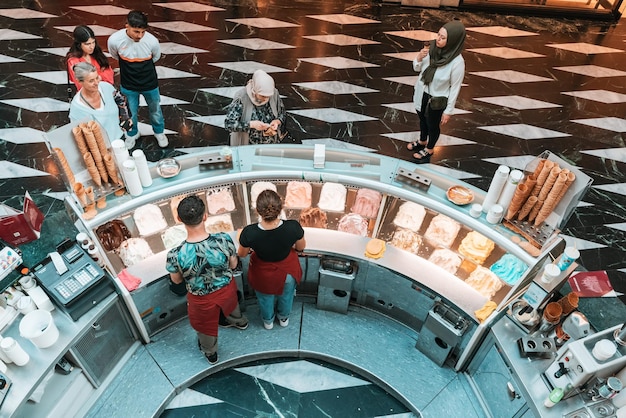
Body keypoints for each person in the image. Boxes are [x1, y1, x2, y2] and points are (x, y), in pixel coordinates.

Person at [166, 195, 248, 365]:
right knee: (233, 307)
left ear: (179, 219)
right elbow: (233, 265)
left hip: (200, 299)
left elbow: (176, 281)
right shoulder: (224, 239)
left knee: (205, 327)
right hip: (226, 288)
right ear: (205, 216)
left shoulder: (175, 255)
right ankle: (239, 322)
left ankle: (211, 353)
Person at [238, 190, 305, 330]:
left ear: (257, 211)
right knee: (286, 296)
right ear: (281, 208)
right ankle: (283, 318)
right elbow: (300, 247)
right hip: (288, 271)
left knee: (265, 298)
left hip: (262, 274)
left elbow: (242, 254)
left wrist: (243, 239)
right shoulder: (293, 227)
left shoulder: (249, 232)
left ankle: (268, 321)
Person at [407, 20, 466, 164]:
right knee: (422, 119)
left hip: (437, 99)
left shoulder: (457, 62)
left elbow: (455, 87)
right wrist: (419, 58)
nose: (438, 39)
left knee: (432, 125)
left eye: (443, 37)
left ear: (453, 40)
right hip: (422, 92)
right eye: (438, 35)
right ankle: (422, 140)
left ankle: (430, 148)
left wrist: (448, 111)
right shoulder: (431, 48)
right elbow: (417, 68)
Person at [107, 10, 168, 149]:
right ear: (126, 26)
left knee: (155, 110)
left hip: (150, 83)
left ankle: (159, 132)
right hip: (128, 84)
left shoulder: (152, 41)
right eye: (136, 32)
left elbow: (155, 57)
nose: (139, 36)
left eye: (142, 32)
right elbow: (115, 55)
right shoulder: (115, 40)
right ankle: (132, 134)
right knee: (130, 112)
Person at [69, 62, 132, 143]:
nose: (96, 83)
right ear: (79, 82)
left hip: (120, 138)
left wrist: (126, 118)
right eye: (91, 81)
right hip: (101, 148)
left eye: (97, 77)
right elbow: (80, 135)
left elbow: (120, 100)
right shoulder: (77, 108)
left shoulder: (106, 87)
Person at [225, 69, 286, 146]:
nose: (266, 99)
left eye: (268, 96)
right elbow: (229, 124)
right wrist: (251, 125)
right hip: (247, 145)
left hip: (271, 145)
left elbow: (282, 113)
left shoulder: (273, 93)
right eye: (262, 95)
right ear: (255, 90)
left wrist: (277, 121)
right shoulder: (242, 97)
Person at [65, 25, 114, 89]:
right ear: (79, 45)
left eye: (93, 42)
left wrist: (95, 79)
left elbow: (109, 73)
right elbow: (81, 84)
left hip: (105, 90)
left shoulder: (96, 53)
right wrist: (100, 77)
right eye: (87, 44)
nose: (92, 47)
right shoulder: (73, 61)